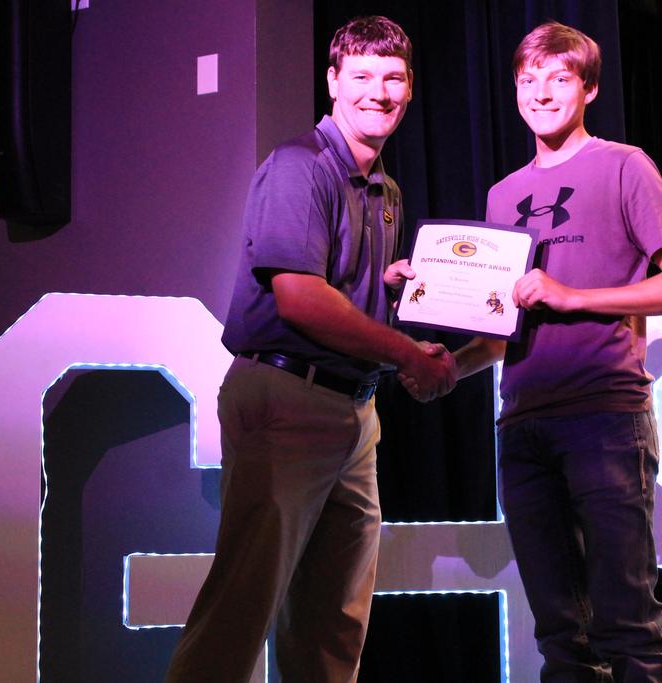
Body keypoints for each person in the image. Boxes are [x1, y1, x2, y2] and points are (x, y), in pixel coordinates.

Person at [165, 16, 456, 683]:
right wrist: (408, 354)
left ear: (411, 88)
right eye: (362, 75)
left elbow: (338, 296)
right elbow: (299, 298)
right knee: (241, 606)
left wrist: (388, 291)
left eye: (393, 78)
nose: (379, 92)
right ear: (332, 81)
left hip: (354, 411)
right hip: (288, 399)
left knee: (334, 619)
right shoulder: (301, 166)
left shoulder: (385, 191)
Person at [446, 21, 662, 683]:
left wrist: (574, 297)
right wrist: (445, 361)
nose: (541, 92)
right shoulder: (502, 194)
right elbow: (500, 326)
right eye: (528, 79)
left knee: (630, 627)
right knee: (563, 638)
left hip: (604, 416)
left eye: (558, 78)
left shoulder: (624, 165)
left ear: (588, 88)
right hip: (523, 425)